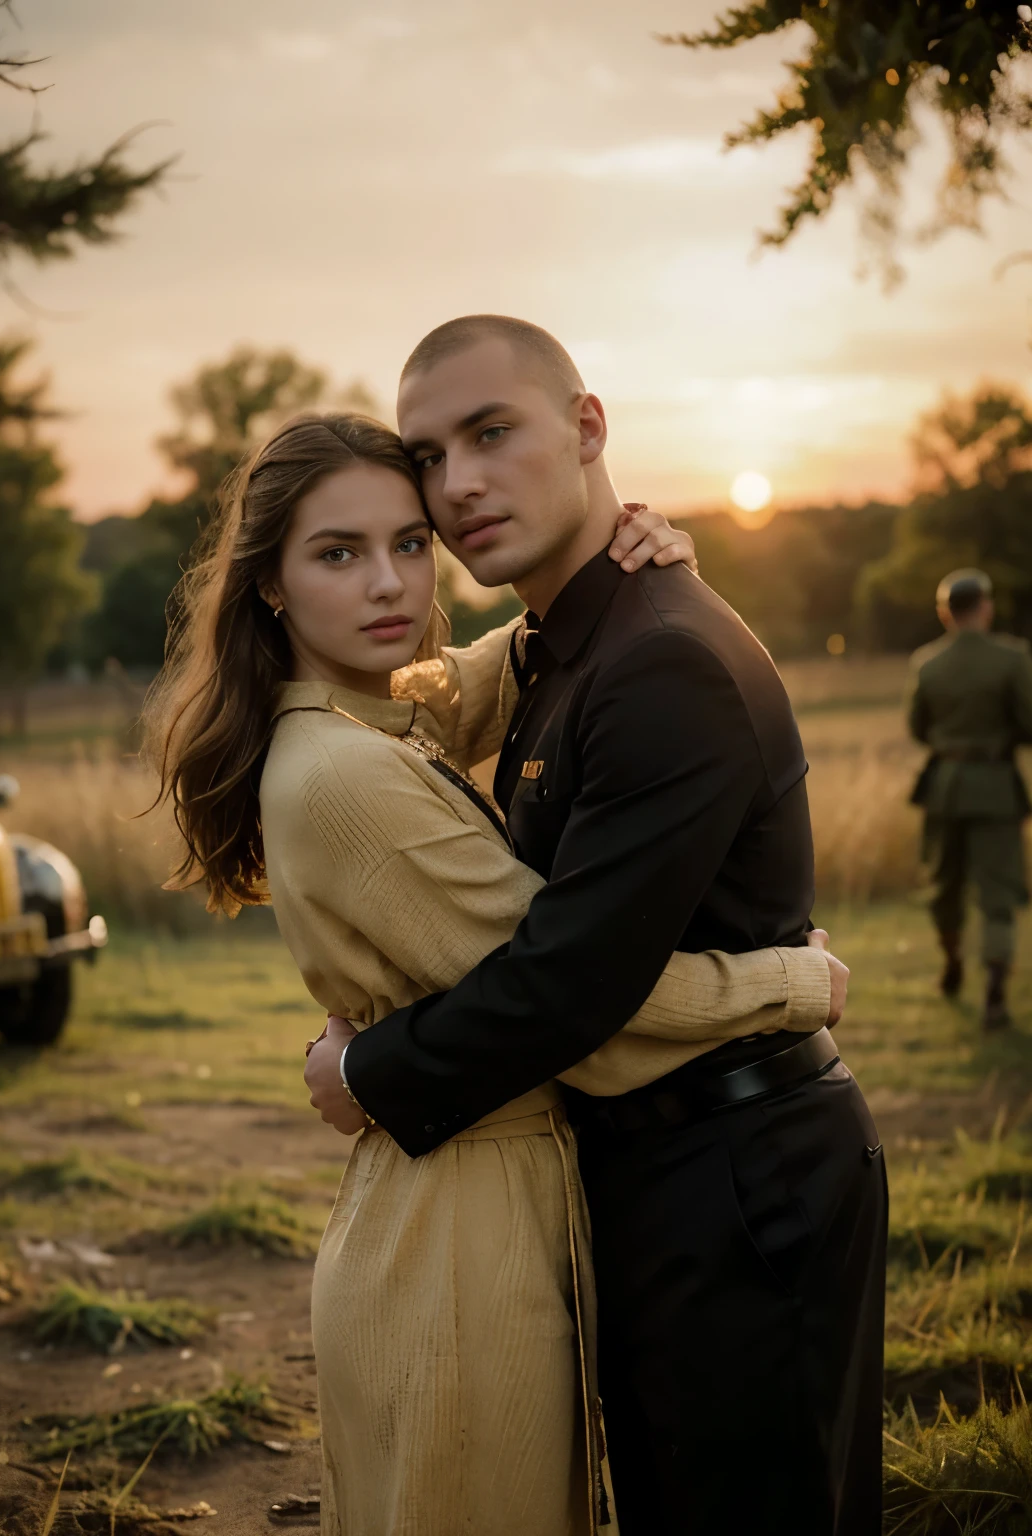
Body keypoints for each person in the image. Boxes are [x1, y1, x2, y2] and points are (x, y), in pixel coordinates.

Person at [147, 410, 846, 1536]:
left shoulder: (374, 717)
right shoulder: (341, 774)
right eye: (338, 554)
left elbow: (500, 667)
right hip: (456, 1248)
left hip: (473, 1202)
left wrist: (626, 568)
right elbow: (578, 1005)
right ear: (269, 585)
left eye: (411, 544)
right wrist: (792, 985)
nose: (390, 584)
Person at [306, 316, 887, 1536]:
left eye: (491, 431)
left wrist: (369, 1067)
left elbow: (569, 987)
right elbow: (444, 703)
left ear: (587, 427)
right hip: (657, 1174)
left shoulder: (657, 659)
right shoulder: (567, 643)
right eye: (428, 455)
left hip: (738, 1188)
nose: (458, 482)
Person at [907, 568, 1032, 1028]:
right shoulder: (1012, 658)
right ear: (986, 607)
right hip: (996, 787)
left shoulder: (927, 663)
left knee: (944, 886)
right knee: (997, 894)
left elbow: (917, 728)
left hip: (944, 788)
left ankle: (952, 963)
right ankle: (995, 994)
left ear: (945, 614)